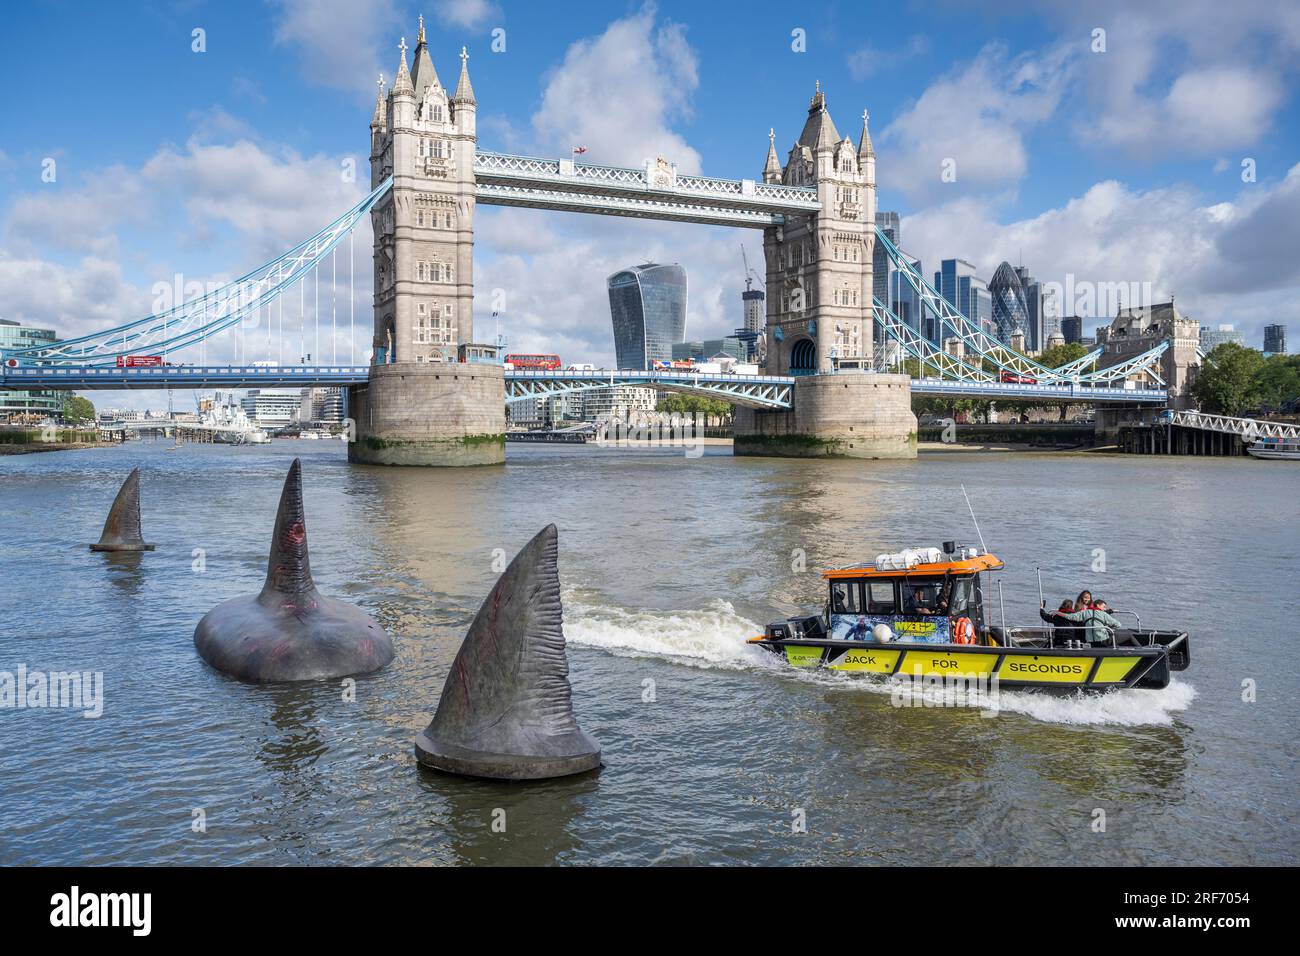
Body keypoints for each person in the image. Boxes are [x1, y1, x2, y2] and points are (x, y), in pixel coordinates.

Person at [1051, 598, 1125, 646]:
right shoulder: (1103, 614)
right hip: (1102, 639)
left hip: (1090, 640)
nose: (1104, 608)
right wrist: (1108, 626)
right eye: (1104, 606)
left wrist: (1058, 613)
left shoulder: (1085, 612)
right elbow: (1118, 624)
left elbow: (1071, 617)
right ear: (1098, 605)